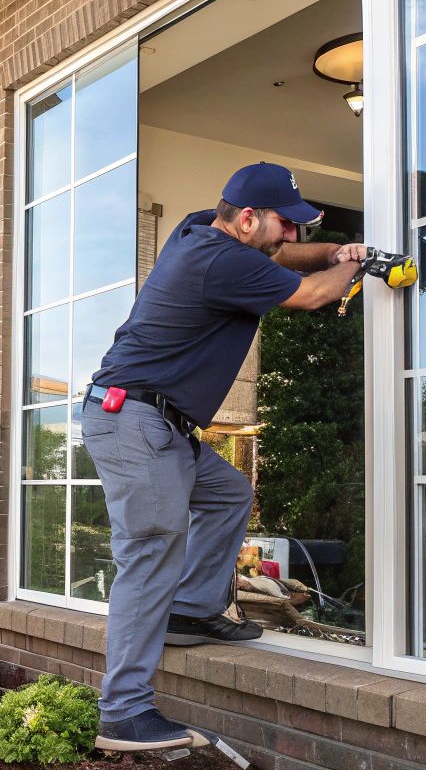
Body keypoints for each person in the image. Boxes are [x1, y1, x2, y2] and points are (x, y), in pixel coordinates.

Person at [85, 162, 365, 752]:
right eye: (285, 223)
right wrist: (355, 264)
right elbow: (313, 294)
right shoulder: (218, 260)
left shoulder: (200, 228)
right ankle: (124, 713)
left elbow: (284, 256)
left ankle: (190, 609)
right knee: (150, 555)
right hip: (135, 420)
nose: (293, 234)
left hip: (155, 421)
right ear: (247, 219)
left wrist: (331, 249)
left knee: (229, 493)